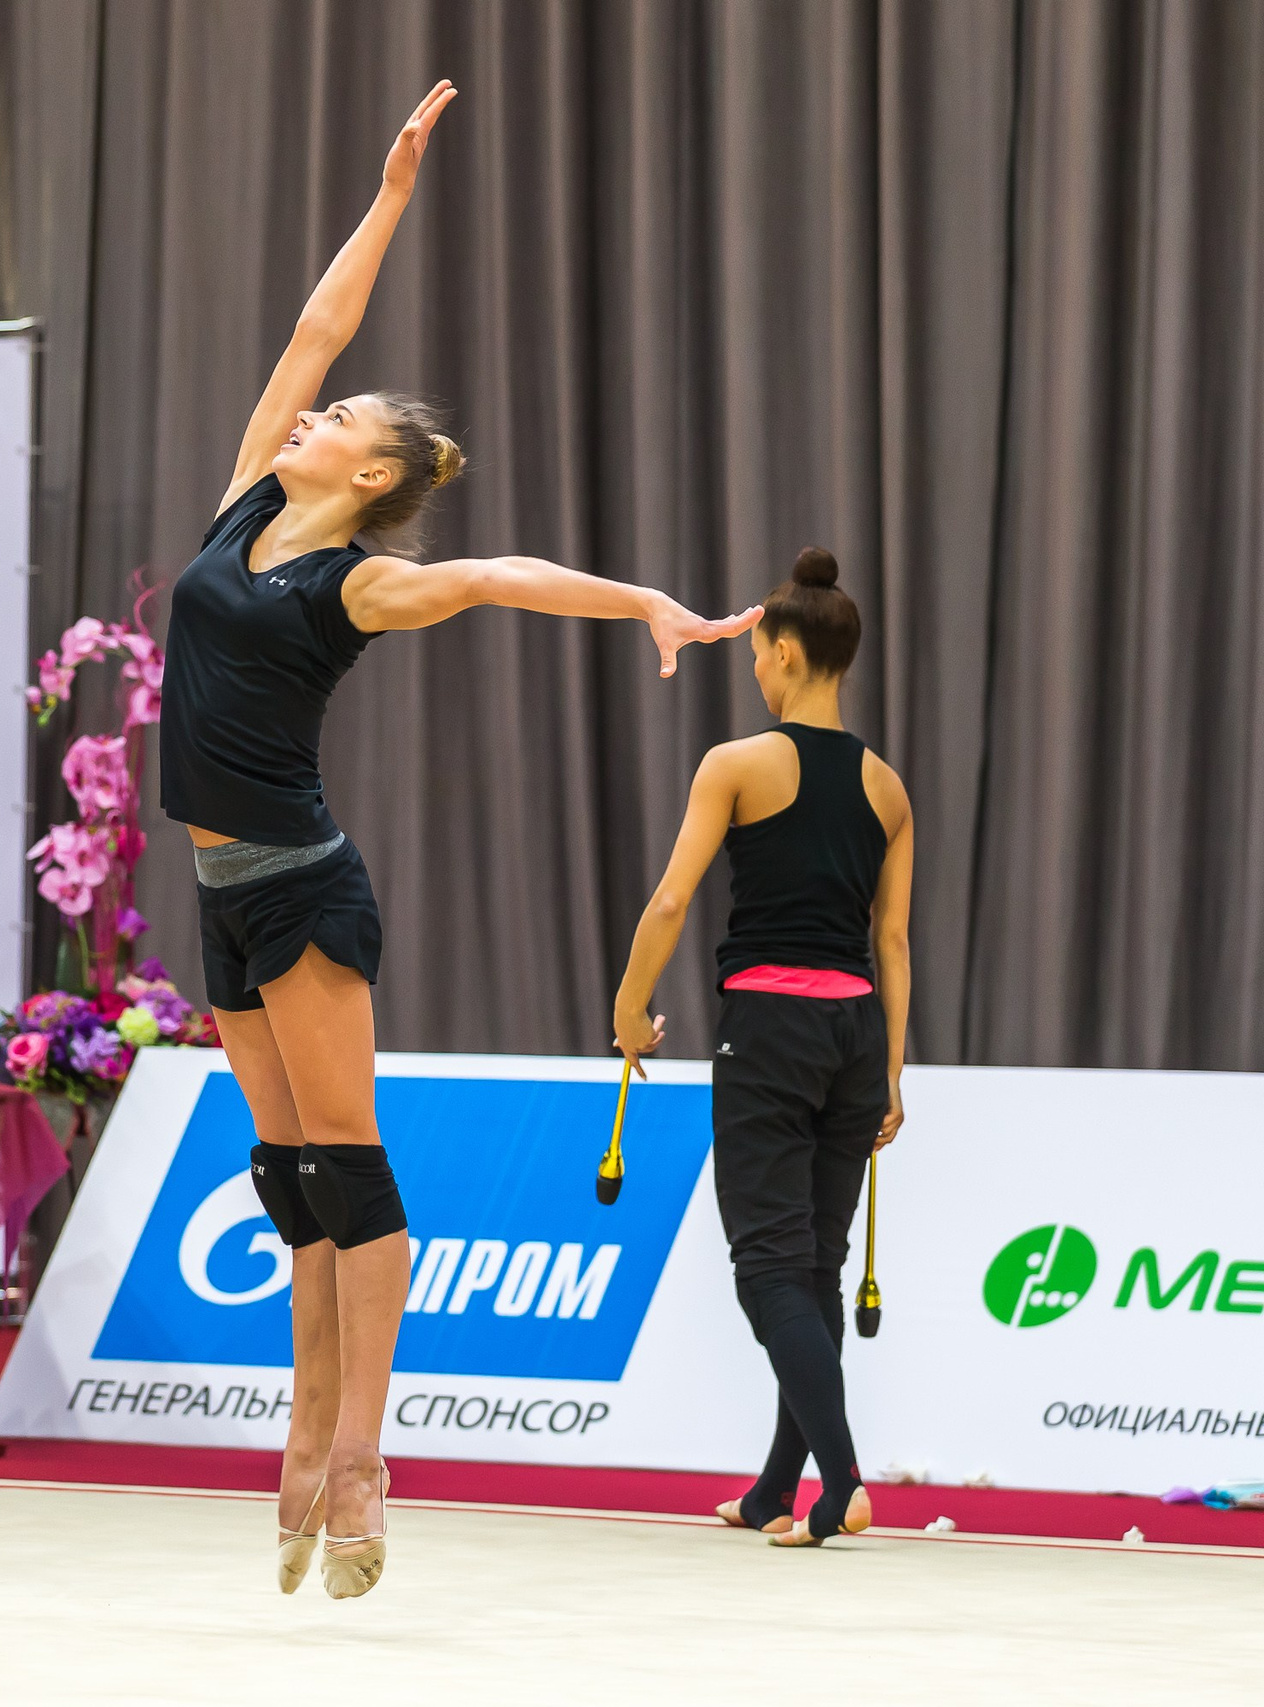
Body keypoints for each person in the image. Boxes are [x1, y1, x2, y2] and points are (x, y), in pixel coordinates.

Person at [161, 78, 761, 1600]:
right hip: (219, 889)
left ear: (370, 478)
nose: (313, 410)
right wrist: (389, 199)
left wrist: (642, 603)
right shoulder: (242, 506)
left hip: (299, 891)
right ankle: (304, 1419)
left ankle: (365, 1451)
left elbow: (496, 575)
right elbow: (316, 330)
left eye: (342, 423)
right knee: (285, 1171)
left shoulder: (356, 584)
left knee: (350, 1167)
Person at [610, 547, 913, 1546]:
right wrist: (892, 1075)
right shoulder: (887, 788)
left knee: (767, 1269)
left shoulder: (735, 765)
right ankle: (777, 1486)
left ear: (782, 651)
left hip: (770, 1031)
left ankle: (841, 1481)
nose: (753, 671)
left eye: (754, 655)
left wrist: (629, 1005)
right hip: (855, 1036)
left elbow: (670, 899)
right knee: (813, 1265)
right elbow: (892, 942)